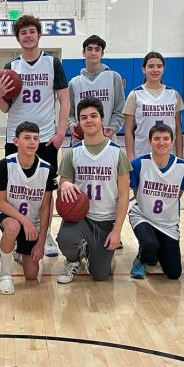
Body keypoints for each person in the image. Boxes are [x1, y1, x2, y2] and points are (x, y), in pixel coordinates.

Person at [0, 14, 70, 257]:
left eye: (31, 31)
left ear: (38, 34)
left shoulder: (52, 63)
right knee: (16, 189)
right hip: (16, 136)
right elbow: (5, 107)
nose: (28, 35)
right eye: (23, 32)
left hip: (46, 137)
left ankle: (44, 234)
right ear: (18, 38)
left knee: (45, 191)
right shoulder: (11, 67)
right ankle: (14, 235)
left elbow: (64, 100)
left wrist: (60, 132)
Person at [56, 97, 131, 284]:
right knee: (65, 239)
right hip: (81, 217)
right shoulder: (73, 153)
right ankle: (73, 259)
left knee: (100, 275)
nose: (89, 120)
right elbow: (63, 187)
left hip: (106, 220)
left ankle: (95, 252)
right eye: (84, 117)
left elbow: (123, 196)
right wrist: (63, 185)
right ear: (79, 122)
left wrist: (117, 231)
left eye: (93, 116)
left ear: (102, 119)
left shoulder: (117, 153)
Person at [0, 121, 57, 295]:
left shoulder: (47, 170)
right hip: (9, 214)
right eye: (27, 138)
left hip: (33, 222)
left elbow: (46, 207)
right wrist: (24, 221)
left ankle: (19, 252)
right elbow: (0, 202)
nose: (32, 142)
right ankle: (5, 276)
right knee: (13, 227)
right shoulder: (5, 165)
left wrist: (41, 242)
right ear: (16, 141)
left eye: (35, 138)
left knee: (31, 275)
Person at [128, 124, 184, 280]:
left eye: (166, 139)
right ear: (149, 141)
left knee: (174, 273)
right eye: (156, 139)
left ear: (172, 141)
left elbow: (178, 194)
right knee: (149, 244)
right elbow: (137, 193)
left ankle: (153, 251)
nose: (161, 143)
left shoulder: (182, 167)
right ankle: (141, 258)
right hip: (143, 217)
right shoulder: (138, 164)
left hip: (168, 224)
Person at [124, 52, 184, 160]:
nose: (155, 70)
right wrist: (131, 158)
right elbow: (128, 130)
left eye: (159, 66)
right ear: (143, 69)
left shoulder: (173, 94)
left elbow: (178, 129)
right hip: (142, 154)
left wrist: (180, 156)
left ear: (163, 69)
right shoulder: (135, 95)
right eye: (151, 66)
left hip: (169, 156)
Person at [68, 35, 125, 143]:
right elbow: (69, 114)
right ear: (83, 53)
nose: (93, 53)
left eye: (97, 49)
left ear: (102, 53)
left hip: (107, 141)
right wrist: (71, 125)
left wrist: (112, 128)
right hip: (80, 142)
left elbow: (120, 110)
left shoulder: (113, 77)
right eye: (89, 49)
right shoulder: (74, 82)